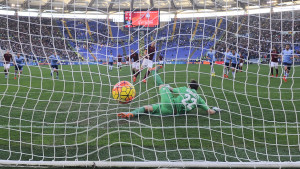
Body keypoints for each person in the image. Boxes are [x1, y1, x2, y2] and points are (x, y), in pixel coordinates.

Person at [117, 65, 220, 118]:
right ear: (196, 89)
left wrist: (167, 87)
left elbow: (171, 89)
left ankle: (153, 71)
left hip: (170, 104)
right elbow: (210, 112)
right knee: (148, 108)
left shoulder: (186, 89)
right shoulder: (199, 99)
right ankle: (131, 114)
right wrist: (215, 109)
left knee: (162, 86)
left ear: (189, 86)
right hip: (171, 113)